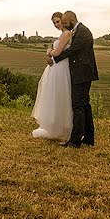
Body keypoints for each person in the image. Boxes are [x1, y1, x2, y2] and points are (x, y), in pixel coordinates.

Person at [49, 11, 98, 148]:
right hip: (82, 72)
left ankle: (75, 140)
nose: (64, 25)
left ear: (71, 20)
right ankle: (88, 137)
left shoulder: (83, 32)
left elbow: (73, 50)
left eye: (65, 23)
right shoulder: (78, 30)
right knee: (84, 105)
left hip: (82, 73)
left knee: (78, 106)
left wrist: (55, 58)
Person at [31, 12, 73, 141]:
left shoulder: (67, 34)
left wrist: (49, 52)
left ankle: (65, 129)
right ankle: (56, 127)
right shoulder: (62, 34)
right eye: (54, 22)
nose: (56, 24)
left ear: (64, 21)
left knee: (62, 96)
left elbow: (57, 52)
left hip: (61, 68)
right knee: (54, 97)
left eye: (58, 21)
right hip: (55, 68)